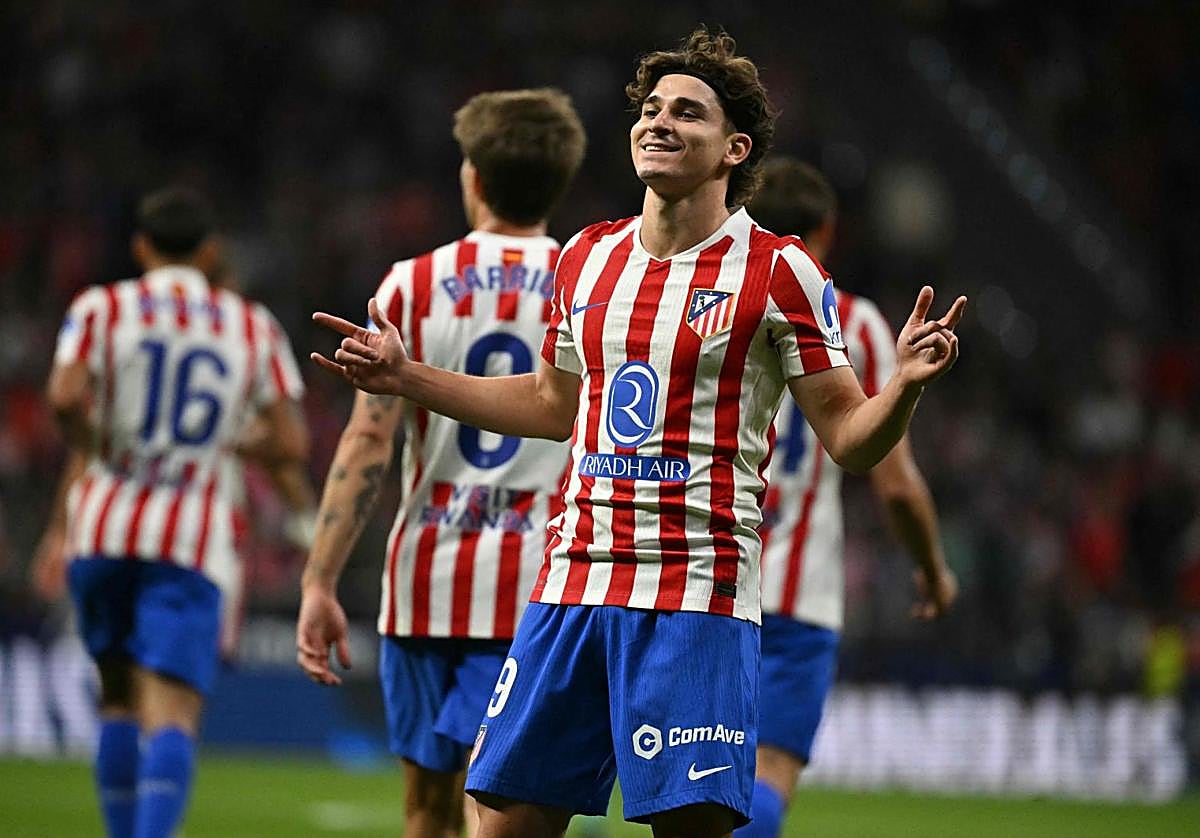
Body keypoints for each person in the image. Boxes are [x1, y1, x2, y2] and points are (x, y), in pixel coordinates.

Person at [311, 28, 966, 838]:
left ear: (734, 148)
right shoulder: (587, 257)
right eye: (651, 109)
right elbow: (551, 404)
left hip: (696, 595)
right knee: (500, 825)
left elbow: (849, 437)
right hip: (573, 586)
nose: (658, 122)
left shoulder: (779, 270)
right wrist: (409, 379)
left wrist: (899, 387)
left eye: (686, 113)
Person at [295, 87, 586, 838]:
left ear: (474, 179)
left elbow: (367, 442)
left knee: (426, 809)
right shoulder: (590, 286)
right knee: (502, 805)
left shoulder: (410, 285)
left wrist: (320, 578)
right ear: (558, 181)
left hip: (425, 579)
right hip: (540, 586)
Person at [32, 187, 310, 838]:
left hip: (103, 524)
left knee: (119, 700)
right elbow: (291, 444)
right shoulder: (249, 324)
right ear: (211, 252)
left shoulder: (101, 307)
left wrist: (101, 444)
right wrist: (225, 437)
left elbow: (65, 396)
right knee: (173, 712)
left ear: (140, 247)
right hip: (190, 537)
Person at [732, 157, 959, 838]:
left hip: (708, 579)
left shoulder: (711, 298)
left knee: (691, 777)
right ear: (826, 231)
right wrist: (932, 569)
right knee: (768, 773)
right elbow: (894, 486)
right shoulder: (856, 324)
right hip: (798, 601)